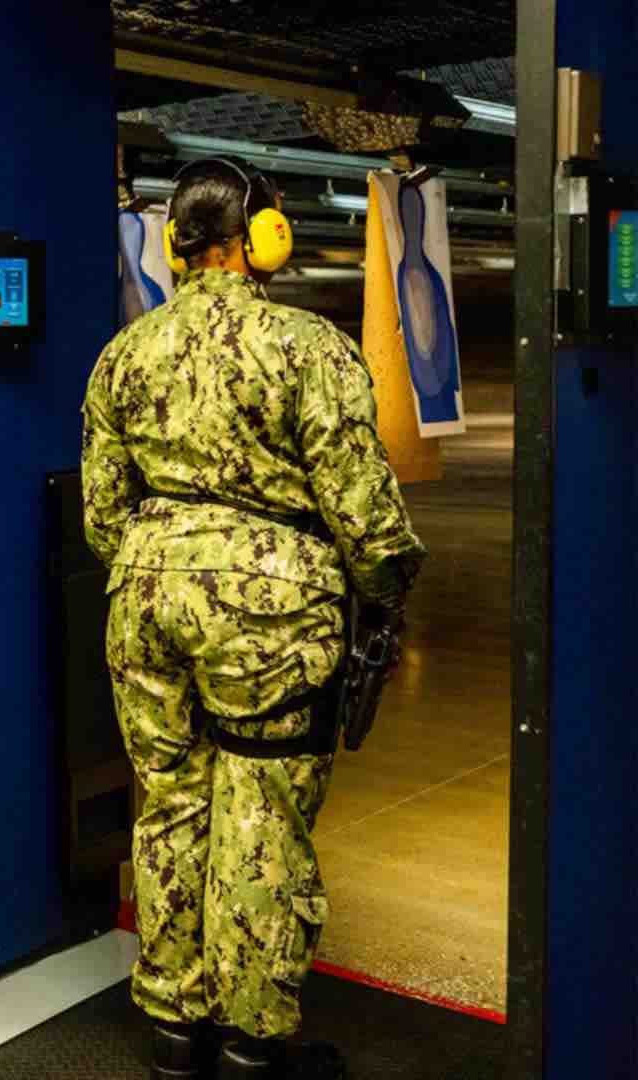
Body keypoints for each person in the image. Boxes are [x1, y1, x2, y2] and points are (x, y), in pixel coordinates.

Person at [80, 158, 427, 1080]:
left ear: (178, 245)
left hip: (144, 598)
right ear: (255, 235)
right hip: (269, 611)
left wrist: (165, 558)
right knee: (262, 813)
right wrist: (388, 588)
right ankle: (252, 1034)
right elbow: (361, 503)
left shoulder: (124, 353)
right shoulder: (306, 345)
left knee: (171, 802)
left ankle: (173, 1022)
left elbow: (101, 513)